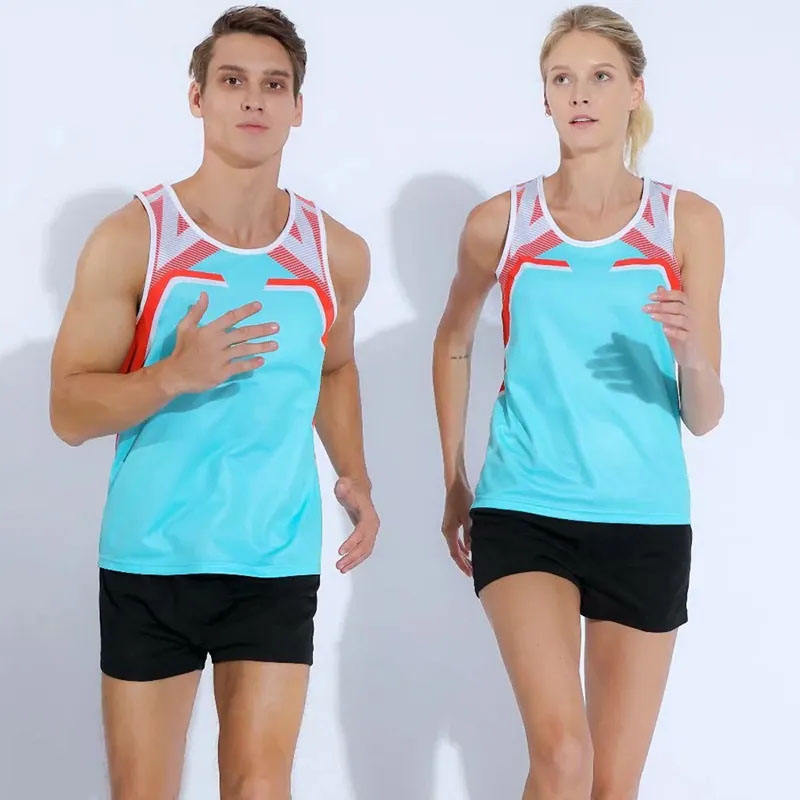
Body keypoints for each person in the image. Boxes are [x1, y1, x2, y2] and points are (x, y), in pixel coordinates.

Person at [49, 6, 379, 798]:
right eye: (233, 81)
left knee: (261, 786)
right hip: (152, 558)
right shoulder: (135, 239)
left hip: (273, 560)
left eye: (274, 85)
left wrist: (356, 475)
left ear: (298, 107)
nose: (254, 99)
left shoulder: (334, 253)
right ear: (197, 97)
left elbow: (334, 369)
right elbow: (67, 410)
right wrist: (170, 375)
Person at [433, 5, 724, 799]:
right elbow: (453, 342)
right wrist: (455, 478)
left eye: (600, 76)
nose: (581, 94)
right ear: (545, 97)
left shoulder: (687, 222)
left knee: (611, 786)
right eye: (562, 78)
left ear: (635, 89)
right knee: (563, 756)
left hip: (646, 518)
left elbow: (704, 415)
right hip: (525, 509)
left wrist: (691, 352)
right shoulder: (501, 223)